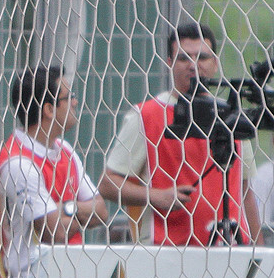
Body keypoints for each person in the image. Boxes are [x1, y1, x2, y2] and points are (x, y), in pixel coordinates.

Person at [98, 23, 263, 246]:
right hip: (166, 252)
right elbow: (108, 184)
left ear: (215, 63)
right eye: (185, 58)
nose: (194, 65)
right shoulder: (146, 115)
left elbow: (245, 191)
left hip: (229, 250)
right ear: (169, 63)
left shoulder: (231, 115)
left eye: (202, 57)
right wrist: (157, 196)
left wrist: (259, 253)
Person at [0, 66, 108, 278]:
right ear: (49, 109)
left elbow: (101, 211)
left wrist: (66, 209)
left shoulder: (65, 151)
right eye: (69, 97)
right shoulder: (18, 164)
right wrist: (80, 214)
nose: (74, 102)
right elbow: (55, 234)